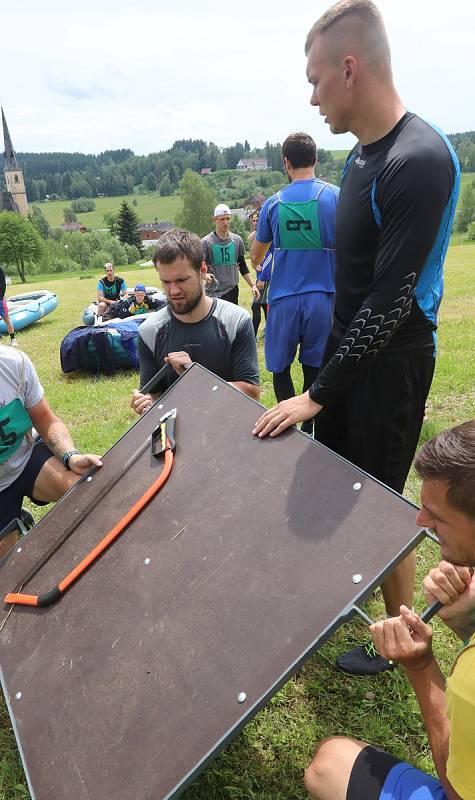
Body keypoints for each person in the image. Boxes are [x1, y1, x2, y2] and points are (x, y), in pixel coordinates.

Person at [253, 0, 460, 675]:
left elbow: (389, 297)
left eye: (314, 79)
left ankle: (399, 639)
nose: (311, 96)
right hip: (346, 360)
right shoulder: (362, 157)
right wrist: (323, 382)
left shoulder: (418, 158)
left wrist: (316, 393)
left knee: (376, 505)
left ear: (348, 68)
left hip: (391, 361)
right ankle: (354, 608)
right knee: (341, 487)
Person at [304, 420, 475, 800]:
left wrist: (420, 665)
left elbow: (457, 788)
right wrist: (468, 621)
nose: (420, 521)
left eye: (437, 516)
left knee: (329, 764)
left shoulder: (470, 680)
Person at [250, 133, 338, 435]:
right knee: (315, 365)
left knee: (279, 366)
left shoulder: (273, 204)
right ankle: (310, 425)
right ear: (315, 159)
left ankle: (287, 430)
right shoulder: (336, 196)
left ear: (285, 163)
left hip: (285, 298)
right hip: (324, 297)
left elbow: (256, 256)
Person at [130, 229, 260, 415]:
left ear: (203, 271)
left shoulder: (236, 321)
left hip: (229, 431)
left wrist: (196, 378)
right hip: (176, 438)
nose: (173, 290)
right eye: (166, 282)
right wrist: (146, 402)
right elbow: (153, 395)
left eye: (181, 280)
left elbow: (252, 394)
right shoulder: (150, 331)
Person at [0, 345, 102, 557]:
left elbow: (45, 420)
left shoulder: (13, 363)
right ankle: (17, 520)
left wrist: (70, 456)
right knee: (8, 572)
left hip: (26, 457)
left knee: (87, 494)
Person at [201, 204, 260, 305]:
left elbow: (242, 266)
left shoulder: (237, 240)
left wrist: (253, 285)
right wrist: (203, 274)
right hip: (213, 293)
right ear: (215, 220)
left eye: (228, 218)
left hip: (232, 291)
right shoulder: (206, 242)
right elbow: (195, 265)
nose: (226, 222)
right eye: (222, 219)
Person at [247, 209, 273, 339]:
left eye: (258, 220)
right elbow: (249, 239)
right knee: (264, 305)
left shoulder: (268, 234)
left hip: (265, 278)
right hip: (261, 276)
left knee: (255, 306)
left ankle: (253, 336)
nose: (255, 223)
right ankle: (270, 332)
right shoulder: (261, 233)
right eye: (253, 221)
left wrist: (263, 278)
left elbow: (269, 256)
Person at [0, 265, 18, 347]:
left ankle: (13, 339)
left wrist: (0, 297)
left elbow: (3, 284)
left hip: (0, 298)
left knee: (6, 318)